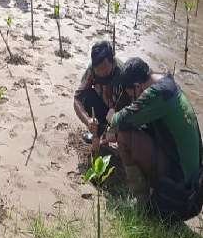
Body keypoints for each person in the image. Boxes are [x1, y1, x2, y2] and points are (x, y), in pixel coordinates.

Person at [107, 57, 203, 221]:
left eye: (131, 94)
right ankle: (151, 192)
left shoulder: (157, 94)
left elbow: (121, 120)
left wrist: (112, 118)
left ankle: (141, 204)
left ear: (137, 86)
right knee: (136, 129)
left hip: (181, 191)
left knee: (124, 135)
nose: (134, 99)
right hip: (192, 185)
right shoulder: (167, 84)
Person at [74, 41, 127, 141]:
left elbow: (131, 108)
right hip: (103, 106)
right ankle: (98, 134)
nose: (101, 73)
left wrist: (115, 121)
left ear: (112, 61)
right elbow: (77, 99)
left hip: (119, 111)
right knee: (87, 97)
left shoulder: (123, 73)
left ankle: (111, 137)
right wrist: (88, 121)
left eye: (105, 69)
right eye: (98, 70)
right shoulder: (92, 69)